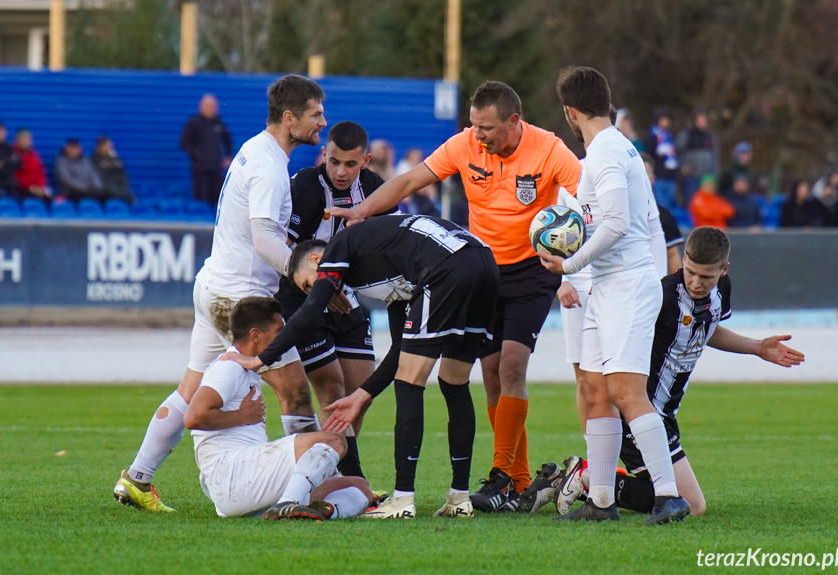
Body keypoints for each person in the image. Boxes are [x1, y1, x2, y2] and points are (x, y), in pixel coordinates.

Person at [326, 81, 583, 513]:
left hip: (532, 271)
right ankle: (518, 480)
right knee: (491, 373)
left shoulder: (552, 150)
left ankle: (502, 476)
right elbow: (409, 180)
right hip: (481, 269)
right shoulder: (464, 144)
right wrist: (361, 211)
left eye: (486, 128)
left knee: (513, 363)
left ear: (514, 122)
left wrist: (577, 269)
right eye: (473, 125)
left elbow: (588, 201)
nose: (478, 135)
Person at [114, 75, 327, 512]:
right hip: (242, 298)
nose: (322, 122)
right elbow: (264, 237)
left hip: (213, 285)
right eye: (315, 115)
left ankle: (137, 477)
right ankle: (309, 487)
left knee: (191, 390)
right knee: (295, 393)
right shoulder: (269, 167)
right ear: (290, 119)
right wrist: (298, 267)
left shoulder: (254, 148)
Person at [223, 214, 499, 519]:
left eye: (307, 283)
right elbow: (400, 349)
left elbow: (311, 311)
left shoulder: (337, 248)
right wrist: (362, 395)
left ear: (316, 260)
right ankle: (459, 499)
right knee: (453, 381)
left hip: (447, 267)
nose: (313, 292)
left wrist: (261, 358)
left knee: (410, 383)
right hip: (484, 262)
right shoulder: (392, 264)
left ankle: (402, 500)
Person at [543, 227, 805, 518]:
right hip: (639, 417)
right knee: (692, 506)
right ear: (683, 262)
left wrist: (756, 347)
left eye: (706, 277)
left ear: (724, 270)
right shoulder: (663, 295)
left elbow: (707, 329)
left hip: (664, 416)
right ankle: (585, 478)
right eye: (690, 272)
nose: (695, 282)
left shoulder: (722, 291)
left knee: (677, 499)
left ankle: (588, 479)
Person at [541, 66, 689, 525]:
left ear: (570, 112)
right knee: (594, 389)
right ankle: (601, 500)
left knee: (625, 390)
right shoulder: (607, 149)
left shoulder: (606, 152)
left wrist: (569, 264)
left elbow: (619, 223)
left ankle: (669, 496)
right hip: (606, 286)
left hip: (627, 284)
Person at [184, 295, 372, 521]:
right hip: (231, 475)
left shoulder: (246, 369)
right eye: (279, 332)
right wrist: (241, 415)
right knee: (334, 440)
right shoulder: (228, 368)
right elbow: (193, 417)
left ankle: (321, 513)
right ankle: (287, 503)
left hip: (245, 485)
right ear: (255, 335)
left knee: (359, 487)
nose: (286, 340)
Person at [282, 120, 393, 478]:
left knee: (361, 393)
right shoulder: (304, 186)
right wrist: (320, 289)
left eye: (350, 164)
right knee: (331, 387)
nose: (340, 171)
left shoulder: (377, 190)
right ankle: (347, 478)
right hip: (302, 297)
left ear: (366, 161)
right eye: (334, 162)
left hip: (347, 297)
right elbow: (288, 251)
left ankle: (333, 471)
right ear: (323, 155)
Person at [180, 94, 234, 206]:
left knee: (217, 198)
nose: (212, 109)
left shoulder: (219, 122)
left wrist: (228, 156)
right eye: (209, 106)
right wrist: (197, 154)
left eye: (214, 107)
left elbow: (228, 140)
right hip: (199, 169)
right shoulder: (193, 123)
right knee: (201, 198)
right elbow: (184, 143)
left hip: (216, 168)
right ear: (201, 107)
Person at [676, 109, 719, 206]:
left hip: (706, 178)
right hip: (691, 177)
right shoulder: (686, 135)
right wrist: (682, 167)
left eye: (704, 120)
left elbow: (715, 156)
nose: (702, 123)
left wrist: (714, 175)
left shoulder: (709, 137)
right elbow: (676, 152)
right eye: (699, 120)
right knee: (691, 203)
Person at [644, 108, 679, 208]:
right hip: (659, 178)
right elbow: (650, 156)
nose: (667, 122)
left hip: (670, 177)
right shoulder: (652, 136)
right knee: (660, 207)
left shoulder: (669, 136)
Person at [92, 136, 135, 204]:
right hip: (105, 191)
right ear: (99, 146)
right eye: (106, 146)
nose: (109, 148)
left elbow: (122, 174)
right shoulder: (94, 159)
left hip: (119, 188)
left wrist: (114, 159)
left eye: (110, 146)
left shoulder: (115, 159)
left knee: (131, 198)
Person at [12, 128, 52, 200]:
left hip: (36, 189)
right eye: (23, 139)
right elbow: (16, 175)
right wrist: (29, 187)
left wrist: (40, 187)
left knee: (51, 200)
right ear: (17, 140)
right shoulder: (13, 154)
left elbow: (40, 173)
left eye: (28, 139)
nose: (26, 142)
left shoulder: (34, 155)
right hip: (21, 190)